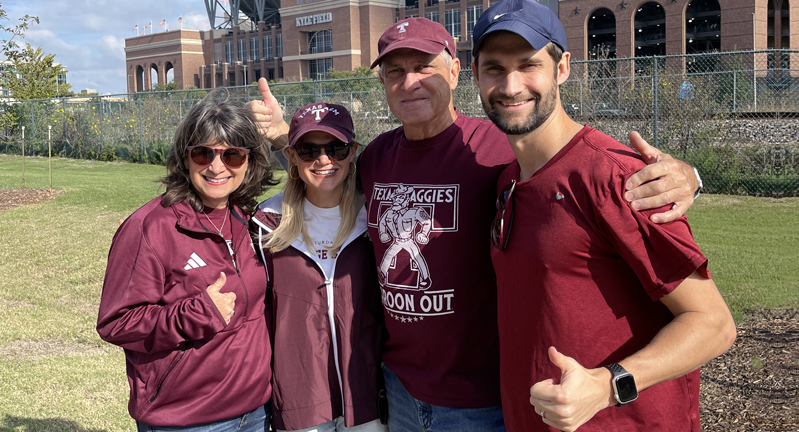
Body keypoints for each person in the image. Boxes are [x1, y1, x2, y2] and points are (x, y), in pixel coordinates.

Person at [248, 18, 701, 431]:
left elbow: (574, 163)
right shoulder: (376, 158)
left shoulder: (499, 149)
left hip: (480, 399)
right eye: (394, 71)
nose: (409, 82)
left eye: (424, 66)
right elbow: (328, 165)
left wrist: (687, 178)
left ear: (455, 71)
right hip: (399, 387)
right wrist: (286, 134)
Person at [470, 1, 737, 431]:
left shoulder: (615, 177)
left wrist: (607, 385)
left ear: (562, 69)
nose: (511, 84)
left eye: (528, 65)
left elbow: (713, 324)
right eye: (494, 68)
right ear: (476, 76)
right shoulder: (507, 183)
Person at [97, 90, 278, 431]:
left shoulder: (249, 220)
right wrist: (195, 315)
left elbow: (325, 175)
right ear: (185, 158)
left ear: (250, 161)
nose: (216, 166)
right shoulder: (151, 227)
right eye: (203, 153)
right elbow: (116, 322)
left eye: (233, 155)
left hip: (256, 412)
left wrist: (283, 134)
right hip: (188, 420)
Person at [251, 102, 387, 432]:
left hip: (367, 397)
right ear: (292, 156)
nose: (324, 160)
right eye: (309, 150)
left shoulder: (375, 216)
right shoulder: (267, 223)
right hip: (300, 402)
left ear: (353, 152)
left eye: (336, 148)